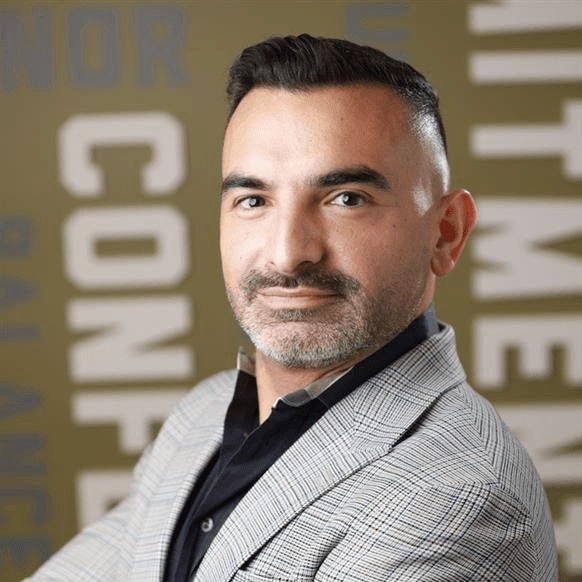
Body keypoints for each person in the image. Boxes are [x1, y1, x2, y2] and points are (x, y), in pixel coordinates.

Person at [25, 34, 557, 582]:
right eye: (253, 200)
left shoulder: (458, 495)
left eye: (346, 198)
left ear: (446, 233)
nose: (288, 253)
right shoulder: (200, 418)